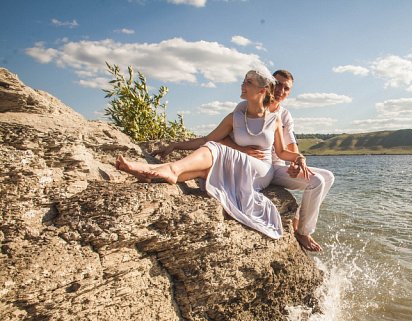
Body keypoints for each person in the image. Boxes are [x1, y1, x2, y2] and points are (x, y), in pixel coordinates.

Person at [115, 69, 312, 239]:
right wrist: (175, 145)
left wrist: (298, 157)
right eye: (244, 81)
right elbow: (205, 139)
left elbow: (281, 151)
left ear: (261, 90)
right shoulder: (235, 116)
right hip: (238, 165)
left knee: (215, 149)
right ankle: (149, 173)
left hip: (261, 171)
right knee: (204, 170)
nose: (243, 85)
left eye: (248, 83)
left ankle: (170, 171)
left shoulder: (275, 119)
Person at [221, 70, 334, 252]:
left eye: (286, 88)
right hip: (260, 168)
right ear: (269, 86)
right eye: (278, 84)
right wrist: (243, 150)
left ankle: (299, 221)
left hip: (279, 167)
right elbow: (222, 136)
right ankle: (303, 232)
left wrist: (295, 164)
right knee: (317, 181)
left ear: (289, 92)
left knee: (328, 177)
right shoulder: (246, 107)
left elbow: (291, 145)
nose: (281, 90)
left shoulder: (285, 115)